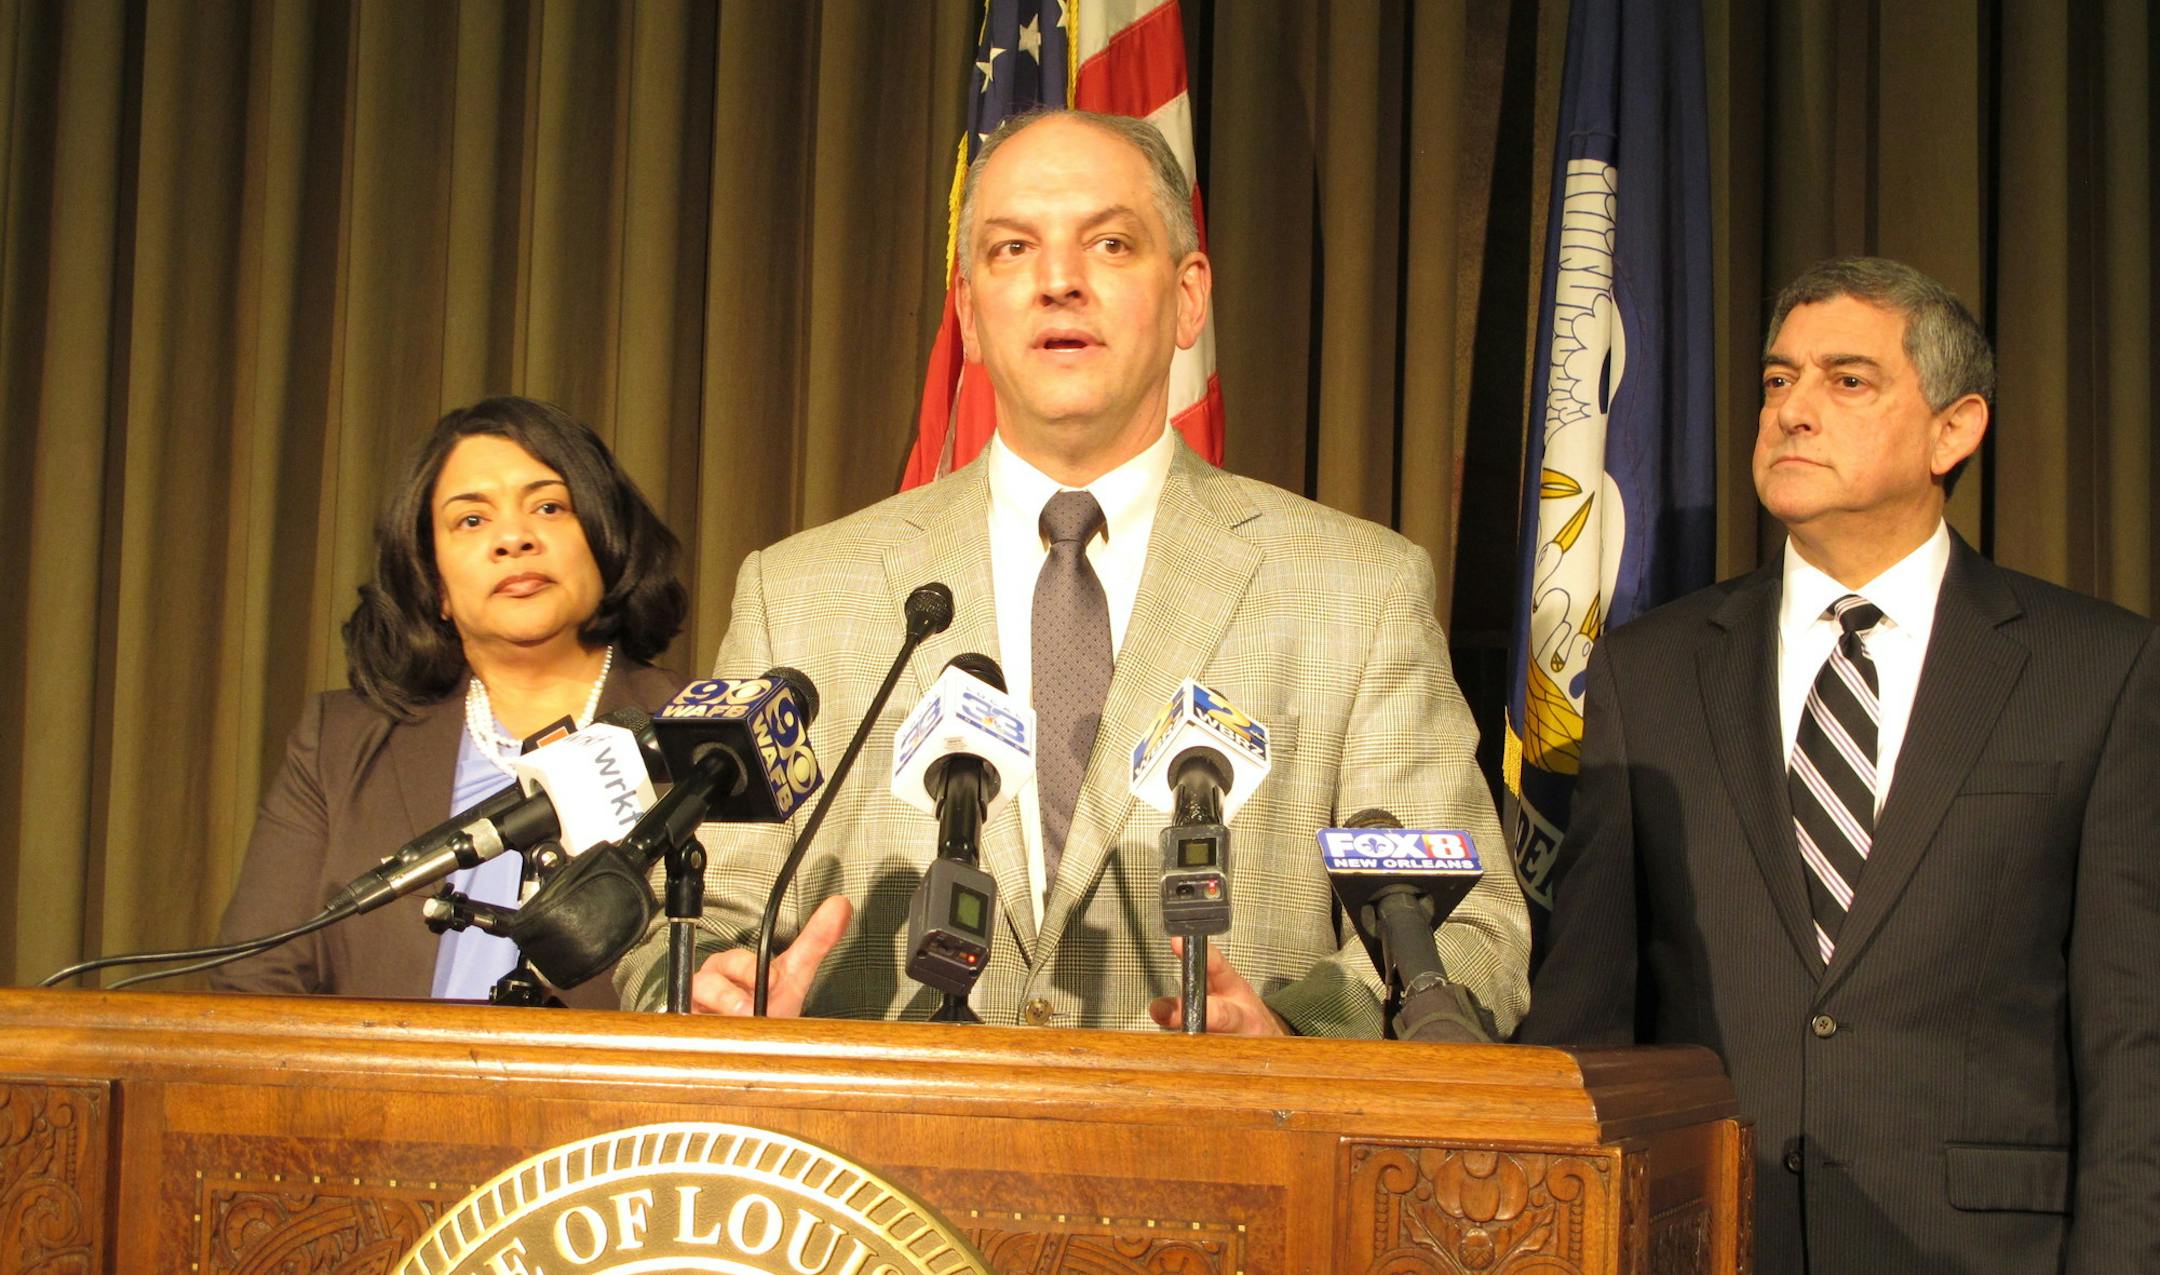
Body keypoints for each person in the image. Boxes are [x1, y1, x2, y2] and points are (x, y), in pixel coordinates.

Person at [611, 109, 1530, 1037]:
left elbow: (1475, 930)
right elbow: (691, 920)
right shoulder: (801, 593)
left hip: (1225, 1127)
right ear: (969, 312)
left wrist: (1295, 1037)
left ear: (1189, 298)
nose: (1058, 281)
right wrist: (704, 988)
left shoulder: (1358, 589)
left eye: (1110, 243)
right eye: (1013, 249)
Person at [1518, 258, 2159, 1271]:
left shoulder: (2096, 669)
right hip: (1709, 1235)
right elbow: (1589, 1012)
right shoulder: (1652, 671)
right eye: (1778, 379)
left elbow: (2134, 1039)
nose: (1792, 411)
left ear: (1955, 428)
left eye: (1847, 380)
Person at [213, 396, 689, 1007]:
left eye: (548, 507)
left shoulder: (695, 735)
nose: (513, 538)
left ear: (606, 540)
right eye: (471, 520)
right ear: (433, 581)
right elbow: (255, 983)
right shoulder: (338, 744)